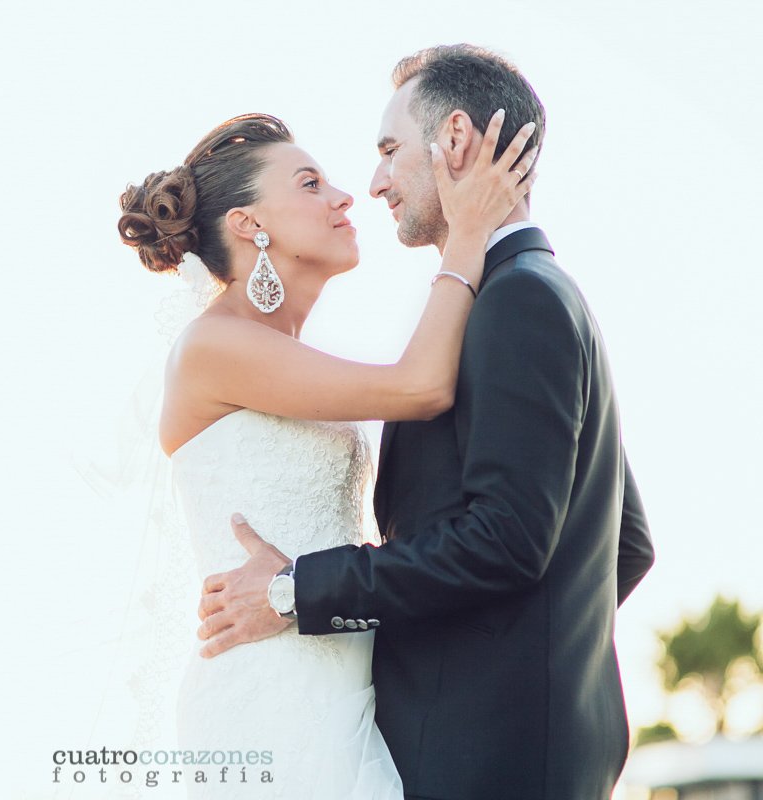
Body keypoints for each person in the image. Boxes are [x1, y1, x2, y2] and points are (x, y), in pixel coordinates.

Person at [196, 45, 655, 799]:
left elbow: (507, 539)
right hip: (522, 748)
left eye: (387, 150)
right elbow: (624, 543)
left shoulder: (515, 303)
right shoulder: (540, 292)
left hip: (484, 759)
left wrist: (292, 592)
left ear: (457, 142)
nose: (372, 182)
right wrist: (542, 659)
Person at [117, 103, 536, 797]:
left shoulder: (285, 358)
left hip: (345, 683)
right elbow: (422, 385)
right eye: (309, 184)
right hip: (273, 699)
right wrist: (470, 231)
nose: (345, 196)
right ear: (249, 224)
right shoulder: (212, 347)